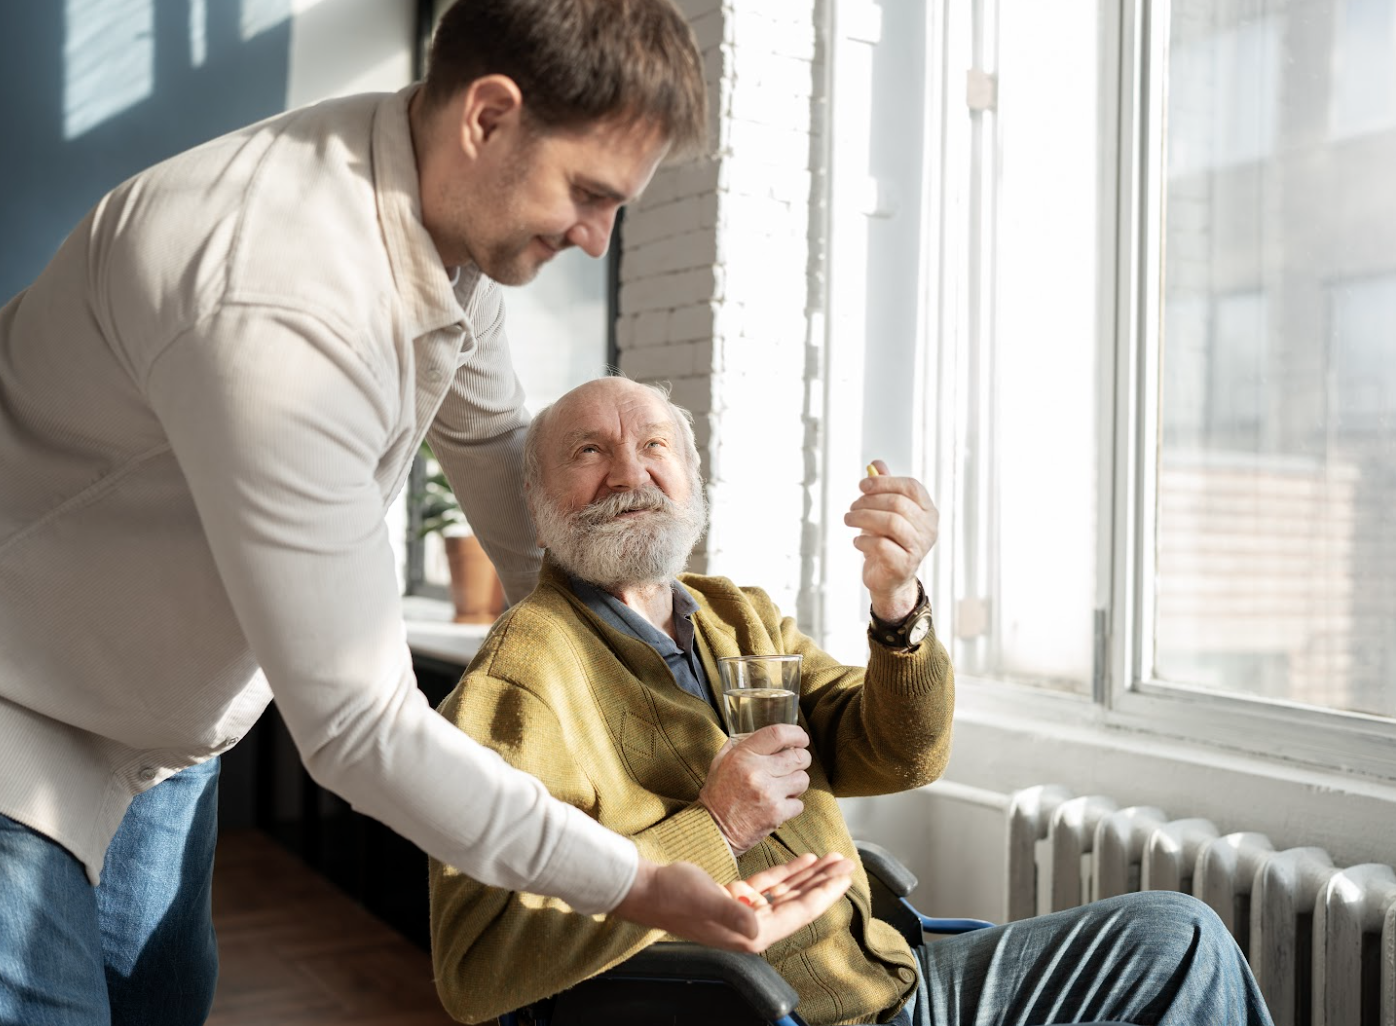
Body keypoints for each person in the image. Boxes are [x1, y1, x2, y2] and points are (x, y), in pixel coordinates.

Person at [0, 2, 854, 1023]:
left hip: (155, 739)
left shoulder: (437, 229)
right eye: (587, 193)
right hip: (22, 708)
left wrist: (641, 653)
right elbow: (358, 726)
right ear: (487, 117)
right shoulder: (277, 301)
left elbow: (497, 457)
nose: (595, 240)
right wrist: (639, 878)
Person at [428, 375, 1276, 1026]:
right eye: (588, 452)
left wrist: (897, 603)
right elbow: (475, 964)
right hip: (780, 1011)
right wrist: (715, 829)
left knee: (1179, 937)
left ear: (689, 478)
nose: (629, 473)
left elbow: (901, 753)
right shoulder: (524, 674)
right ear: (537, 506)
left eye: (654, 445)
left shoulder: (734, 614)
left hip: (891, 976)